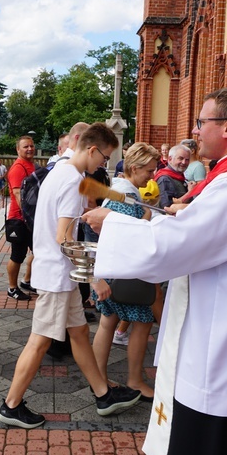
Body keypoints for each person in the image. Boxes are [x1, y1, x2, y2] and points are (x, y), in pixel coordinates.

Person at [83, 85, 227, 455]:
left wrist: (114, 224)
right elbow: (218, 234)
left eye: (203, 122)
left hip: (223, 346)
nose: (197, 130)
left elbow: (174, 248)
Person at [0, 123, 141, 430]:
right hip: (58, 275)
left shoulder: (62, 171)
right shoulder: (73, 179)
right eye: (103, 158)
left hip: (59, 274)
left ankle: (103, 395)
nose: (103, 164)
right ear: (91, 150)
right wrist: (96, 277)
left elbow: (68, 222)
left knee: (78, 334)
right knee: (38, 342)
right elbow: (64, 238)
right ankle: (11, 405)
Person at [91, 143, 160, 402]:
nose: (152, 176)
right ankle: (135, 380)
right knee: (142, 322)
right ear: (134, 168)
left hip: (113, 269)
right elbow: (125, 234)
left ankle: (97, 377)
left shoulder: (119, 191)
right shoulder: (126, 197)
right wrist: (146, 218)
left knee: (108, 321)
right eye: (149, 170)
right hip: (126, 270)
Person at [5, 136, 37, 301]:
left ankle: (26, 281)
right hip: (20, 219)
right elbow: (18, 193)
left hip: (30, 220)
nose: (30, 149)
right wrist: (28, 216)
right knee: (17, 255)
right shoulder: (18, 168)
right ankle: (12, 288)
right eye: (26, 147)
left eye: (31, 146)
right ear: (18, 149)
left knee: (37, 251)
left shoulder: (31, 165)